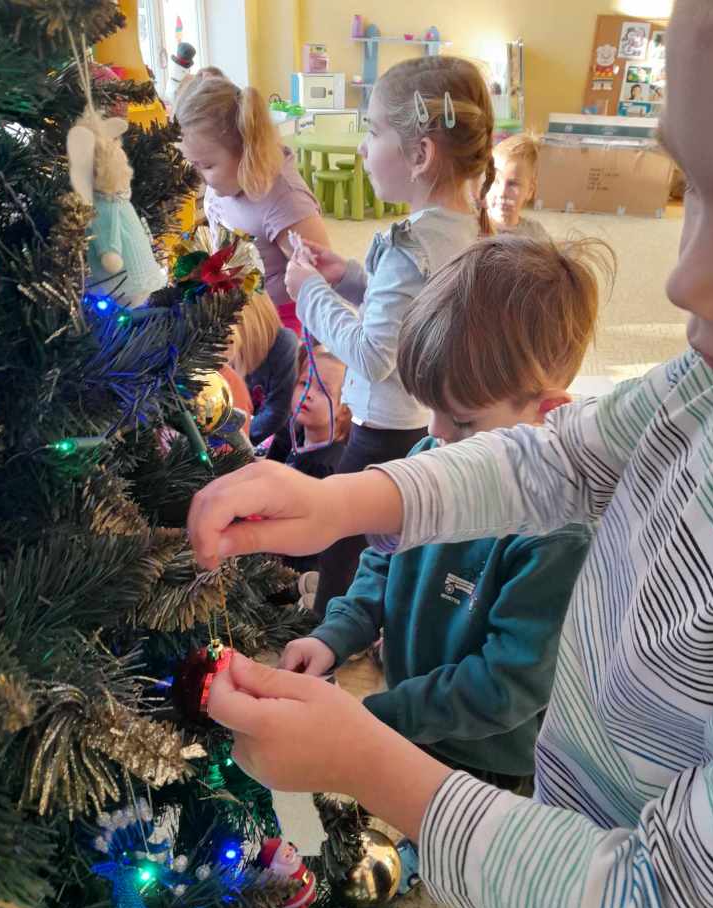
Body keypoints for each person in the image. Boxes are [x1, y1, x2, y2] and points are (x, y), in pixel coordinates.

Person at [188, 3, 713, 908]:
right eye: (694, 187)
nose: (687, 277)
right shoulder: (710, 391)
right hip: (559, 867)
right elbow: (556, 460)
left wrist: (364, 747)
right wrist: (343, 505)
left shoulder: (555, 548)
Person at [280, 234, 604, 908]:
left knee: (487, 861)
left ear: (547, 414)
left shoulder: (556, 537)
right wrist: (335, 636)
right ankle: (429, 846)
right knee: (428, 809)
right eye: (432, 414)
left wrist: (375, 722)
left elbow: (505, 685)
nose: (436, 439)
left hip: (499, 752)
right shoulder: (433, 459)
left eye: (461, 423)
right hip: (423, 712)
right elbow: (380, 562)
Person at [284, 55, 495, 618]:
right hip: (426, 419)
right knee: (393, 535)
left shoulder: (409, 246)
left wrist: (309, 293)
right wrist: (349, 278)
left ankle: (330, 626)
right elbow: (412, 311)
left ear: (420, 154)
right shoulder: (466, 227)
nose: (363, 148)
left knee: (343, 534)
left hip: (384, 428)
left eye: (373, 132)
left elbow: (374, 354)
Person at [174, 74, 330, 332]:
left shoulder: (286, 202)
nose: (196, 176)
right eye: (192, 163)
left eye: (207, 166)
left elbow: (321, 280)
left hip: (283, 321)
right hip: (239, 309)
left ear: (246, 150)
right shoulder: (222, 183)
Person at [266, 346, 351, 583]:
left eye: (323, 390)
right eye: (304, 383)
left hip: (292, 571)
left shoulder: (327, 467)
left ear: (344, 410)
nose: (308, 394)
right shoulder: (292, 434)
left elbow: (311, 538)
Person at [228, 290, 298, 446]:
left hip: (271, 443)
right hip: (238, 437)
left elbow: (277, 412)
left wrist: (234, 441)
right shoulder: (229, 352)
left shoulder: (283, 343)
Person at [486, 133, 549, 239]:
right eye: (495, 181)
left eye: (512, 184)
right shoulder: (471, 229)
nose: (502, 193)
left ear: (530, 191)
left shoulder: (536, 235)